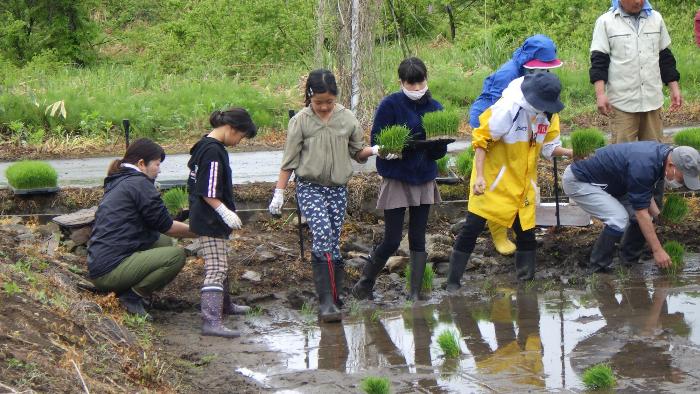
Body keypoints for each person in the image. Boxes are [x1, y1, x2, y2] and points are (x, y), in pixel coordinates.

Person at [268, 69, 378, 323]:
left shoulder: (347, 118)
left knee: (333, 240)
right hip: (310, 187)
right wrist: (279, 192)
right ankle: (326, 302)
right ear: (310, 98)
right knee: (323, 235)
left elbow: (357, 153)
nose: (325, 107)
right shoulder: (300, 121)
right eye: (319, 103)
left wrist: (374, 151)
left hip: (338, 189)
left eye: (329, 102)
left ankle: (335, 296)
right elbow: (289, 161)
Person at [446, 72, 573, 290]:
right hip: (492, 181)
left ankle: (526, 287)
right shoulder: (508, 109)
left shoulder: (550, 114)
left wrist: (574, 152)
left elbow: (550, 148)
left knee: (526, 233)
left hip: (523, 185)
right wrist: (479, 176)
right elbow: (481, 141)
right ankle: (452, 283)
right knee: (472, 227)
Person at [351, 57, 447, 302]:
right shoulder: (390, 105)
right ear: (401, 82)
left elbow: (438, 152)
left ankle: (414, 292)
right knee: (392, 238)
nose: (416, 89)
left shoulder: (435, 108)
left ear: (426, 79)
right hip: (397, 177)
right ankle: (365, 284)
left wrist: (437, 146)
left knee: (418, 236)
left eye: (420, 83)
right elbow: (376, 140)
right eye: (410, 84)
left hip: (424, 177)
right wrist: (388, 149)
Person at [469, 34, 562, 257]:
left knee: (515, 180)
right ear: (530, 61)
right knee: (498, 182)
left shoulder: (538, 76)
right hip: (493, 122)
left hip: (520, 125)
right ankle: (498, 234)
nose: (546, 71)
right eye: (543, 66)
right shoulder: (508, 76)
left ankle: (512, 225)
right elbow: (496, 114)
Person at [88, 138, 196, 318]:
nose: (159, 170)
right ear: (141, 164)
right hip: (108, 271)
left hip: (101, 261)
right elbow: (167, 226)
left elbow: (157, 222)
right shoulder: (139, 184)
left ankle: (131, 288)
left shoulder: (119, 180)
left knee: (163, 241)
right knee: (175, 256)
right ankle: (133, 296)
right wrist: (201, 230)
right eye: (157, 164)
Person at [562, 142, 700, 272]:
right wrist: (657, 250)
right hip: (580, 180)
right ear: (671, 165)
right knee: (618, 218)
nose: (680, 183)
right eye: (681, 179)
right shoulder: (645, 165)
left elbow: (645, 192)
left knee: (646, 217)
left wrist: (659, 217)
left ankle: (628, 262)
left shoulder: (661, 156)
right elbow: (641, 213)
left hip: (613, 183)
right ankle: (598, 268)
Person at [187, 108, 258, 338]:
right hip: (210, 220)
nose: (239, 142)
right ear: (231, 129)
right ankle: (211, 321)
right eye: (240, 136)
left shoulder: (203, 146)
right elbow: (208, 190)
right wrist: (224, 211)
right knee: (216, 267)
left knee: (222, 262)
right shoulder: (213, 152)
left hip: (205, 217)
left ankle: (225, 306)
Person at [590, 0, 682, 143]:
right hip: (622, 103)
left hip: (652, 100)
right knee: (621, 156)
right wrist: (600, 94)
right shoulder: (606, 22)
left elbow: (665, 57)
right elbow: (599, 62)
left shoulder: (656, 19)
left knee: (654, 155)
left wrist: (674, 88)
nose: (638, 2)